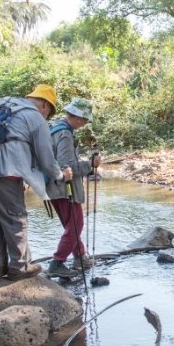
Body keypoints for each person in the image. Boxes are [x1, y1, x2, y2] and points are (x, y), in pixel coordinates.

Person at [0, 85, 72, 280]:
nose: (46, 117)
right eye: (49, 113)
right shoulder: (35, 117)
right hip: (3, 170)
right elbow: (47, 159)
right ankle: (20, 267)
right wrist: (61, 176)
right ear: (45, 105)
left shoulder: (1, 103)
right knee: (15, 219)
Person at [45, 98, 100, 277]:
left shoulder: (54, 127)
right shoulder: (65, 134)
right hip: (63, 187)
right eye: (84, 119)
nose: (85, 123)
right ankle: (57, 262)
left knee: (71, 225)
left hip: (52, 186)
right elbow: (66, 166)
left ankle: (79, 256)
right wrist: (90, 165)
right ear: (76, 117)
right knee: (77, 225)